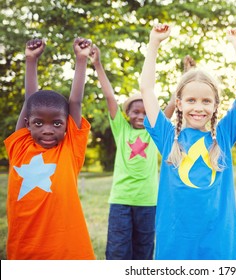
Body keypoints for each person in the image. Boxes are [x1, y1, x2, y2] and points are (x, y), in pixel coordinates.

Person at [139, 24, 236, 260]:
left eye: (206, 101)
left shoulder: (223, 136)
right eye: (191, 100)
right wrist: (153, 44)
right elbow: (146, 88)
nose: (199, 107)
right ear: (179, 104)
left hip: (218, 241)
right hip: (175, 242)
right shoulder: (167, 136)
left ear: (215, 106)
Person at [4, 38, 95, 259]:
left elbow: (76, 103)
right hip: (24, 250)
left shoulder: (69, 149)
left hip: (65, 252)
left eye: (56, 123)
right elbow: (30, 101)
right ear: (27, 123)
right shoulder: (20, 147)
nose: (47, 130)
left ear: (66, 125)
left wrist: (81, 60)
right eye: (38, 123)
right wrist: (30, 60)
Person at [89, 44, 175, 260]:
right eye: (136, 111)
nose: (141, 116)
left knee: (144, 251)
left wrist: (185, 76)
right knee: (118, 251)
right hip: (121, 201)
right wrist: (97, 64)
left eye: (146, 112)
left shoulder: (154, 133)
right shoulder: (121, 129)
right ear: (126, 113)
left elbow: (173, 105)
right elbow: (109, 96)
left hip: (148, 202)